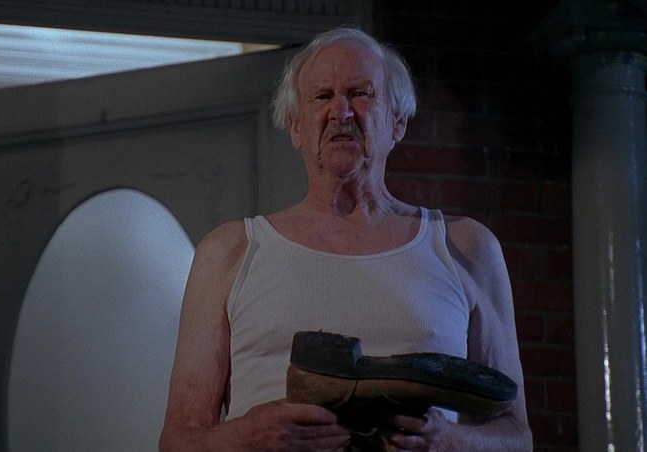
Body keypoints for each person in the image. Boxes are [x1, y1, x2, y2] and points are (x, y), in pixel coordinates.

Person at [159, 26, 532, 451]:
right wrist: (248, 436)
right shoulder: (230, 251)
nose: (341, 111)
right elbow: (177, 442)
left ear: (398, 121)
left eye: (360, 93)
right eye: (322, 96)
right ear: (295, 126)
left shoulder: (466, 248)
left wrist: (450, 442)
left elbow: (516, 437)